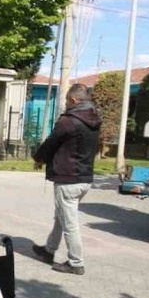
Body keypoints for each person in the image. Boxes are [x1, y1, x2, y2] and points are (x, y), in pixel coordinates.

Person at [30, 83, 101, 275]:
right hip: (85, 178)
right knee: (61, 216)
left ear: (74, 100)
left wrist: (38, 159)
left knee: (69, 223)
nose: (66, 105)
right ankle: (48, 251)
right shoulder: (95, 118)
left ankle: (76, 263)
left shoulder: (68, 121)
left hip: (68, 178)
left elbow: (50, 143)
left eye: (67, 101)